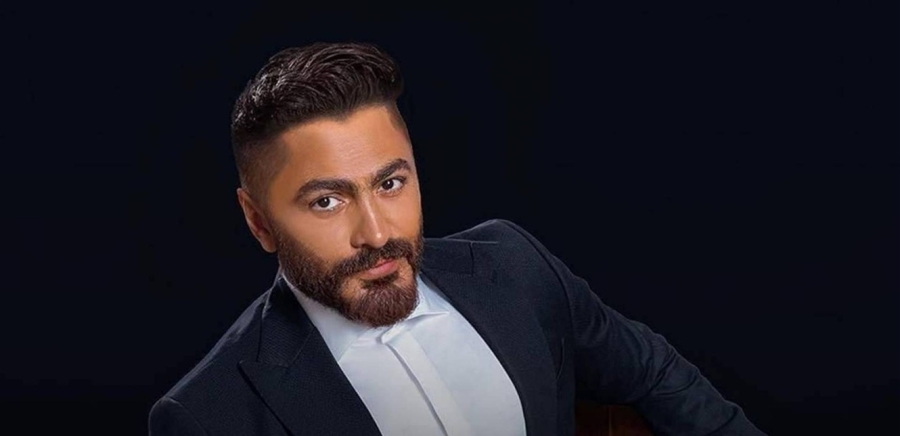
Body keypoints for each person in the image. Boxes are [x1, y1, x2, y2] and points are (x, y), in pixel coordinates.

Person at [149, 41, 765, 436]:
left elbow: (653, 373)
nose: (377, 233)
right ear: (259, 222)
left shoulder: (514, 264)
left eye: (391, 183)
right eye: (327, 201)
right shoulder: (208, 415)